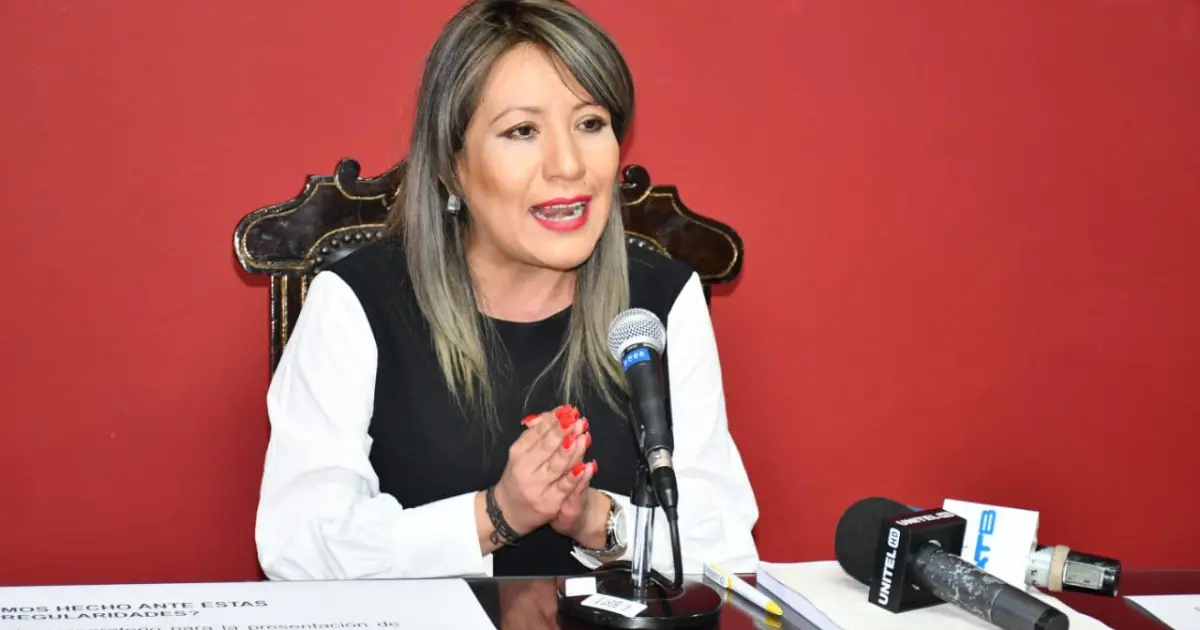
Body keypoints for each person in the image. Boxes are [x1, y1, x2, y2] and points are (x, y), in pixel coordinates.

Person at [254, 0, 760, 580]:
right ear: (452, 167)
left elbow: (727, 551)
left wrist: (594, 518)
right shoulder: (357, 302)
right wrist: (496, 514)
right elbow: (298, 547)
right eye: (522, 131)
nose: (567, 164)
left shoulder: (661, 300)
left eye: (590, 124)